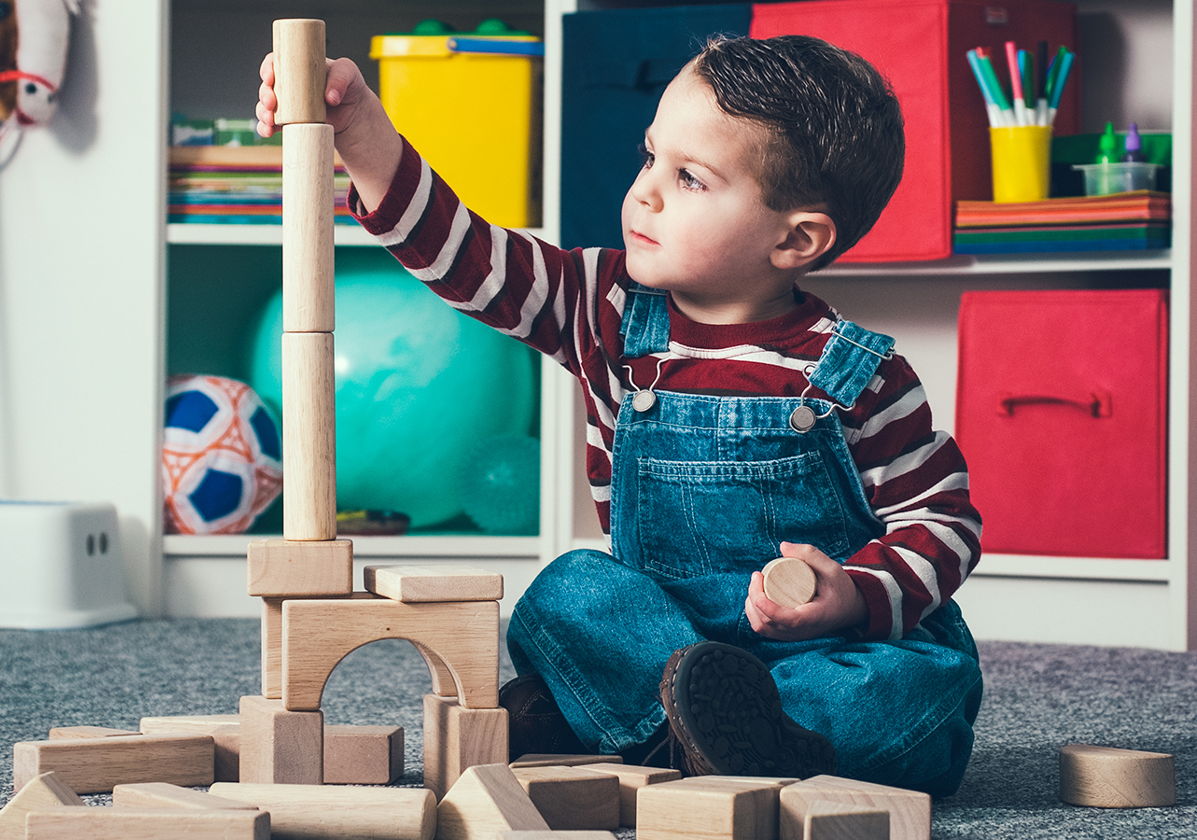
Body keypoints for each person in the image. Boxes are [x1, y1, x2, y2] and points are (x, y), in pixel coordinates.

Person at [257, 33, 984, 796]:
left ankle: (680, 731)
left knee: (913, 692)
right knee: (570, 590)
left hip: (819, 655)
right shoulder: (597, 304)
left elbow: (945, 522)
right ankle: (692, 732)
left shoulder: (860, 374)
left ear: (796, 237)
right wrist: (362, 128)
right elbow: (464, 253)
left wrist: (854, 594)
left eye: (691, 179)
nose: (645, 192)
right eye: (649, 158)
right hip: (663, 637)